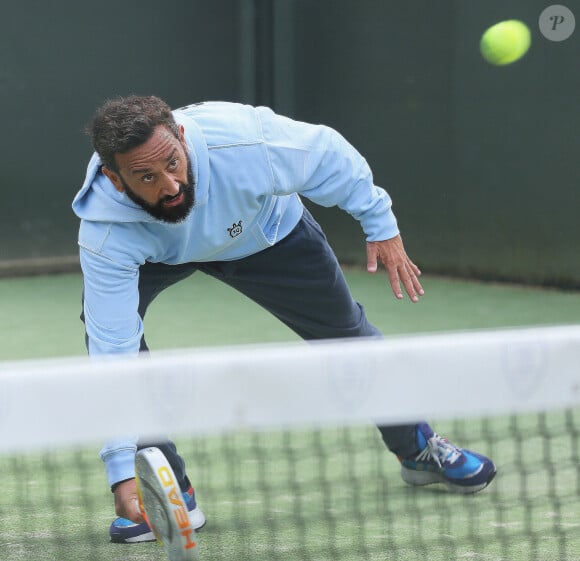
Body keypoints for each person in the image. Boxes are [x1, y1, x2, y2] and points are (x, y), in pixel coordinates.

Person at [73, 96, 496, 544]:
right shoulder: (107, 230)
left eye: (174, 163)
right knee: (121, 347)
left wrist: (380, 223)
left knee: (347, 335)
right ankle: (162, 489)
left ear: (181, 138)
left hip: (265, 233)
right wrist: (122, 473)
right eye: (147, 177)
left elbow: (328, 154)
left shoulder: (245, 143)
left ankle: (417, 450)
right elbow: (113, 352)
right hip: (156, 254)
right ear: (115, 181)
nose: (171, 185)